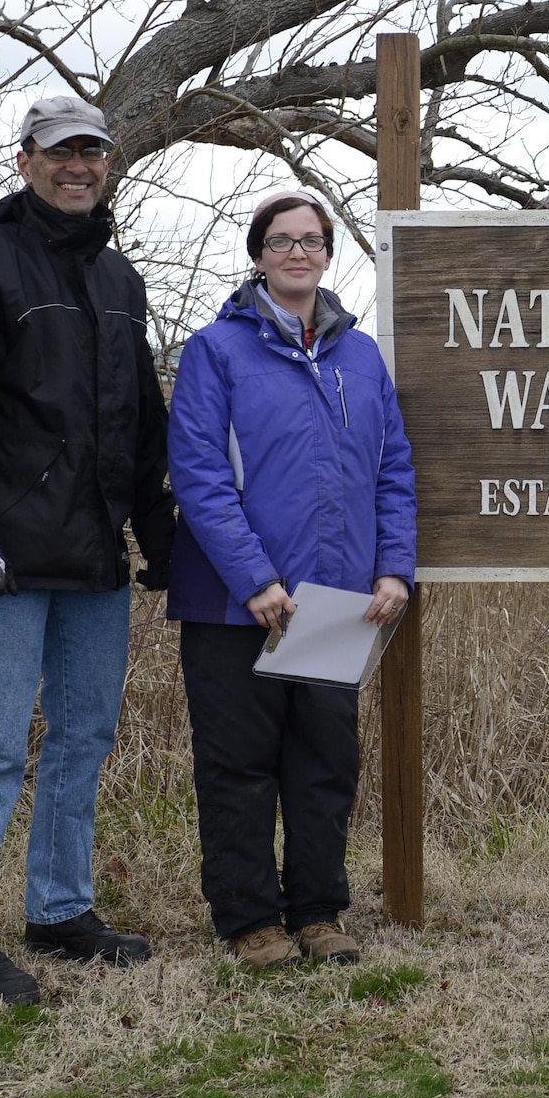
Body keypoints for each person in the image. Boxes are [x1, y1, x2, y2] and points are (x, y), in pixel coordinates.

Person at [0, 95, 174, 1004]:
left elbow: (141, 431)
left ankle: (59, 909)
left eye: (92, 152)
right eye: (61, 152)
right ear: (25, 161)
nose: (78, 166)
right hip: (5, 562)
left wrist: (162, 541)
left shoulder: (119, 282)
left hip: (94, 558)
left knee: (83, 739)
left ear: (107, 165)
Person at [167, 190, 416, 968]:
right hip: (238, 606)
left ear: (328, 254)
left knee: (322, 766)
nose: (297, 254)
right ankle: (252, 923)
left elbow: (394, 470)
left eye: (311, 241)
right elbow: (200, 476)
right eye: (281, 242)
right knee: (239, 768)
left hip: (335, 604)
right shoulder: (216, 351)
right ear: (258, 255)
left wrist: (394, 567)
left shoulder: (362, 356)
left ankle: (317, 913)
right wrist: (255, 580)